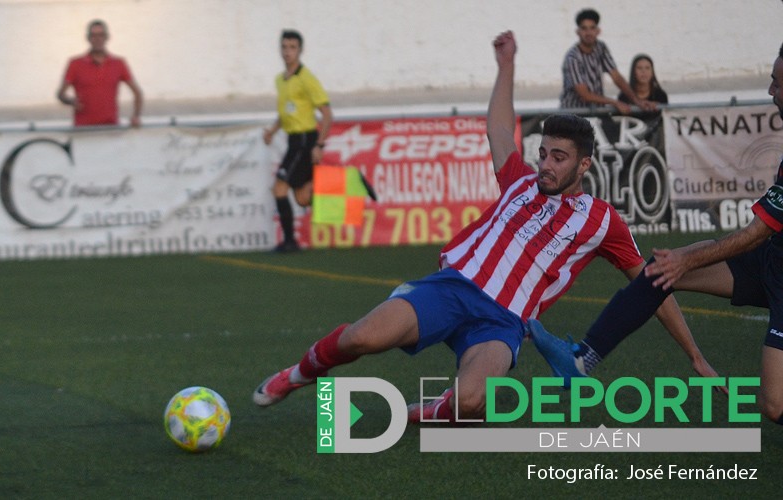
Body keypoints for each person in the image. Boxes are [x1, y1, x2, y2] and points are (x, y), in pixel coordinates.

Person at [253, 31, 717, 423]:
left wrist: (695, 355)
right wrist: (506, 65)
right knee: (361, 337)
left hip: (504, 322)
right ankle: (296, 376)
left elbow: (652, 287)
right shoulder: (519, 179)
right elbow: (498, 129)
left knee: (473, 403)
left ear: (584, 165)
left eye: (559, 158)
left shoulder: (602, 221)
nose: (546, 165)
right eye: (544, 154)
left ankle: (437, 409)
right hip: (452, 287)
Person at [529, 42, 783, 425]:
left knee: (774, 404)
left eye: (777, 83)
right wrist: (683, 265)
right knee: (660, 270)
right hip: (772, 260)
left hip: (771, 257)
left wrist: (689, 259)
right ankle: (582, 360)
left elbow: (757, 232)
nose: (770, 92)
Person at [263, 29, 333, 253]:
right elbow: (286, 113)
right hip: (294, 141)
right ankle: (335, 194)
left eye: (292, 47)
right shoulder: (280, 80)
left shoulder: (306, 78)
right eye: (284, 47)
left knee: (279, 188)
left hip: (305, 140)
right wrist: (273, 130)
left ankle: (289, 242)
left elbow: (327, 114)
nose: (287, 52)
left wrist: (319, 145)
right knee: (302, 198)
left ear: (300, 50)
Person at [560, 8, 655, 115]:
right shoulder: (572, 58)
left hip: (596, 113)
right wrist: (614, 102)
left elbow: (616, 77)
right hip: (573, 115)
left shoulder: (601, 48)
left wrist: (636, 101)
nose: (588, 33)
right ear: (578, 32)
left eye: (592, 28)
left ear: (598, 31)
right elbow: (584, 94)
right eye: (584, 28)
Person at [56, 20, 143, 127]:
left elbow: (137, 93)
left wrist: (136, 116)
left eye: (101, 35)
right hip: (83, 131)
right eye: (93, 35)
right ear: (88, 38)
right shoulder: (75, 64)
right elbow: (60, 94)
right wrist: (70, 101)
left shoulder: (119, 63)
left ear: (107, 37)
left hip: (111, 129)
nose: (97, 39)